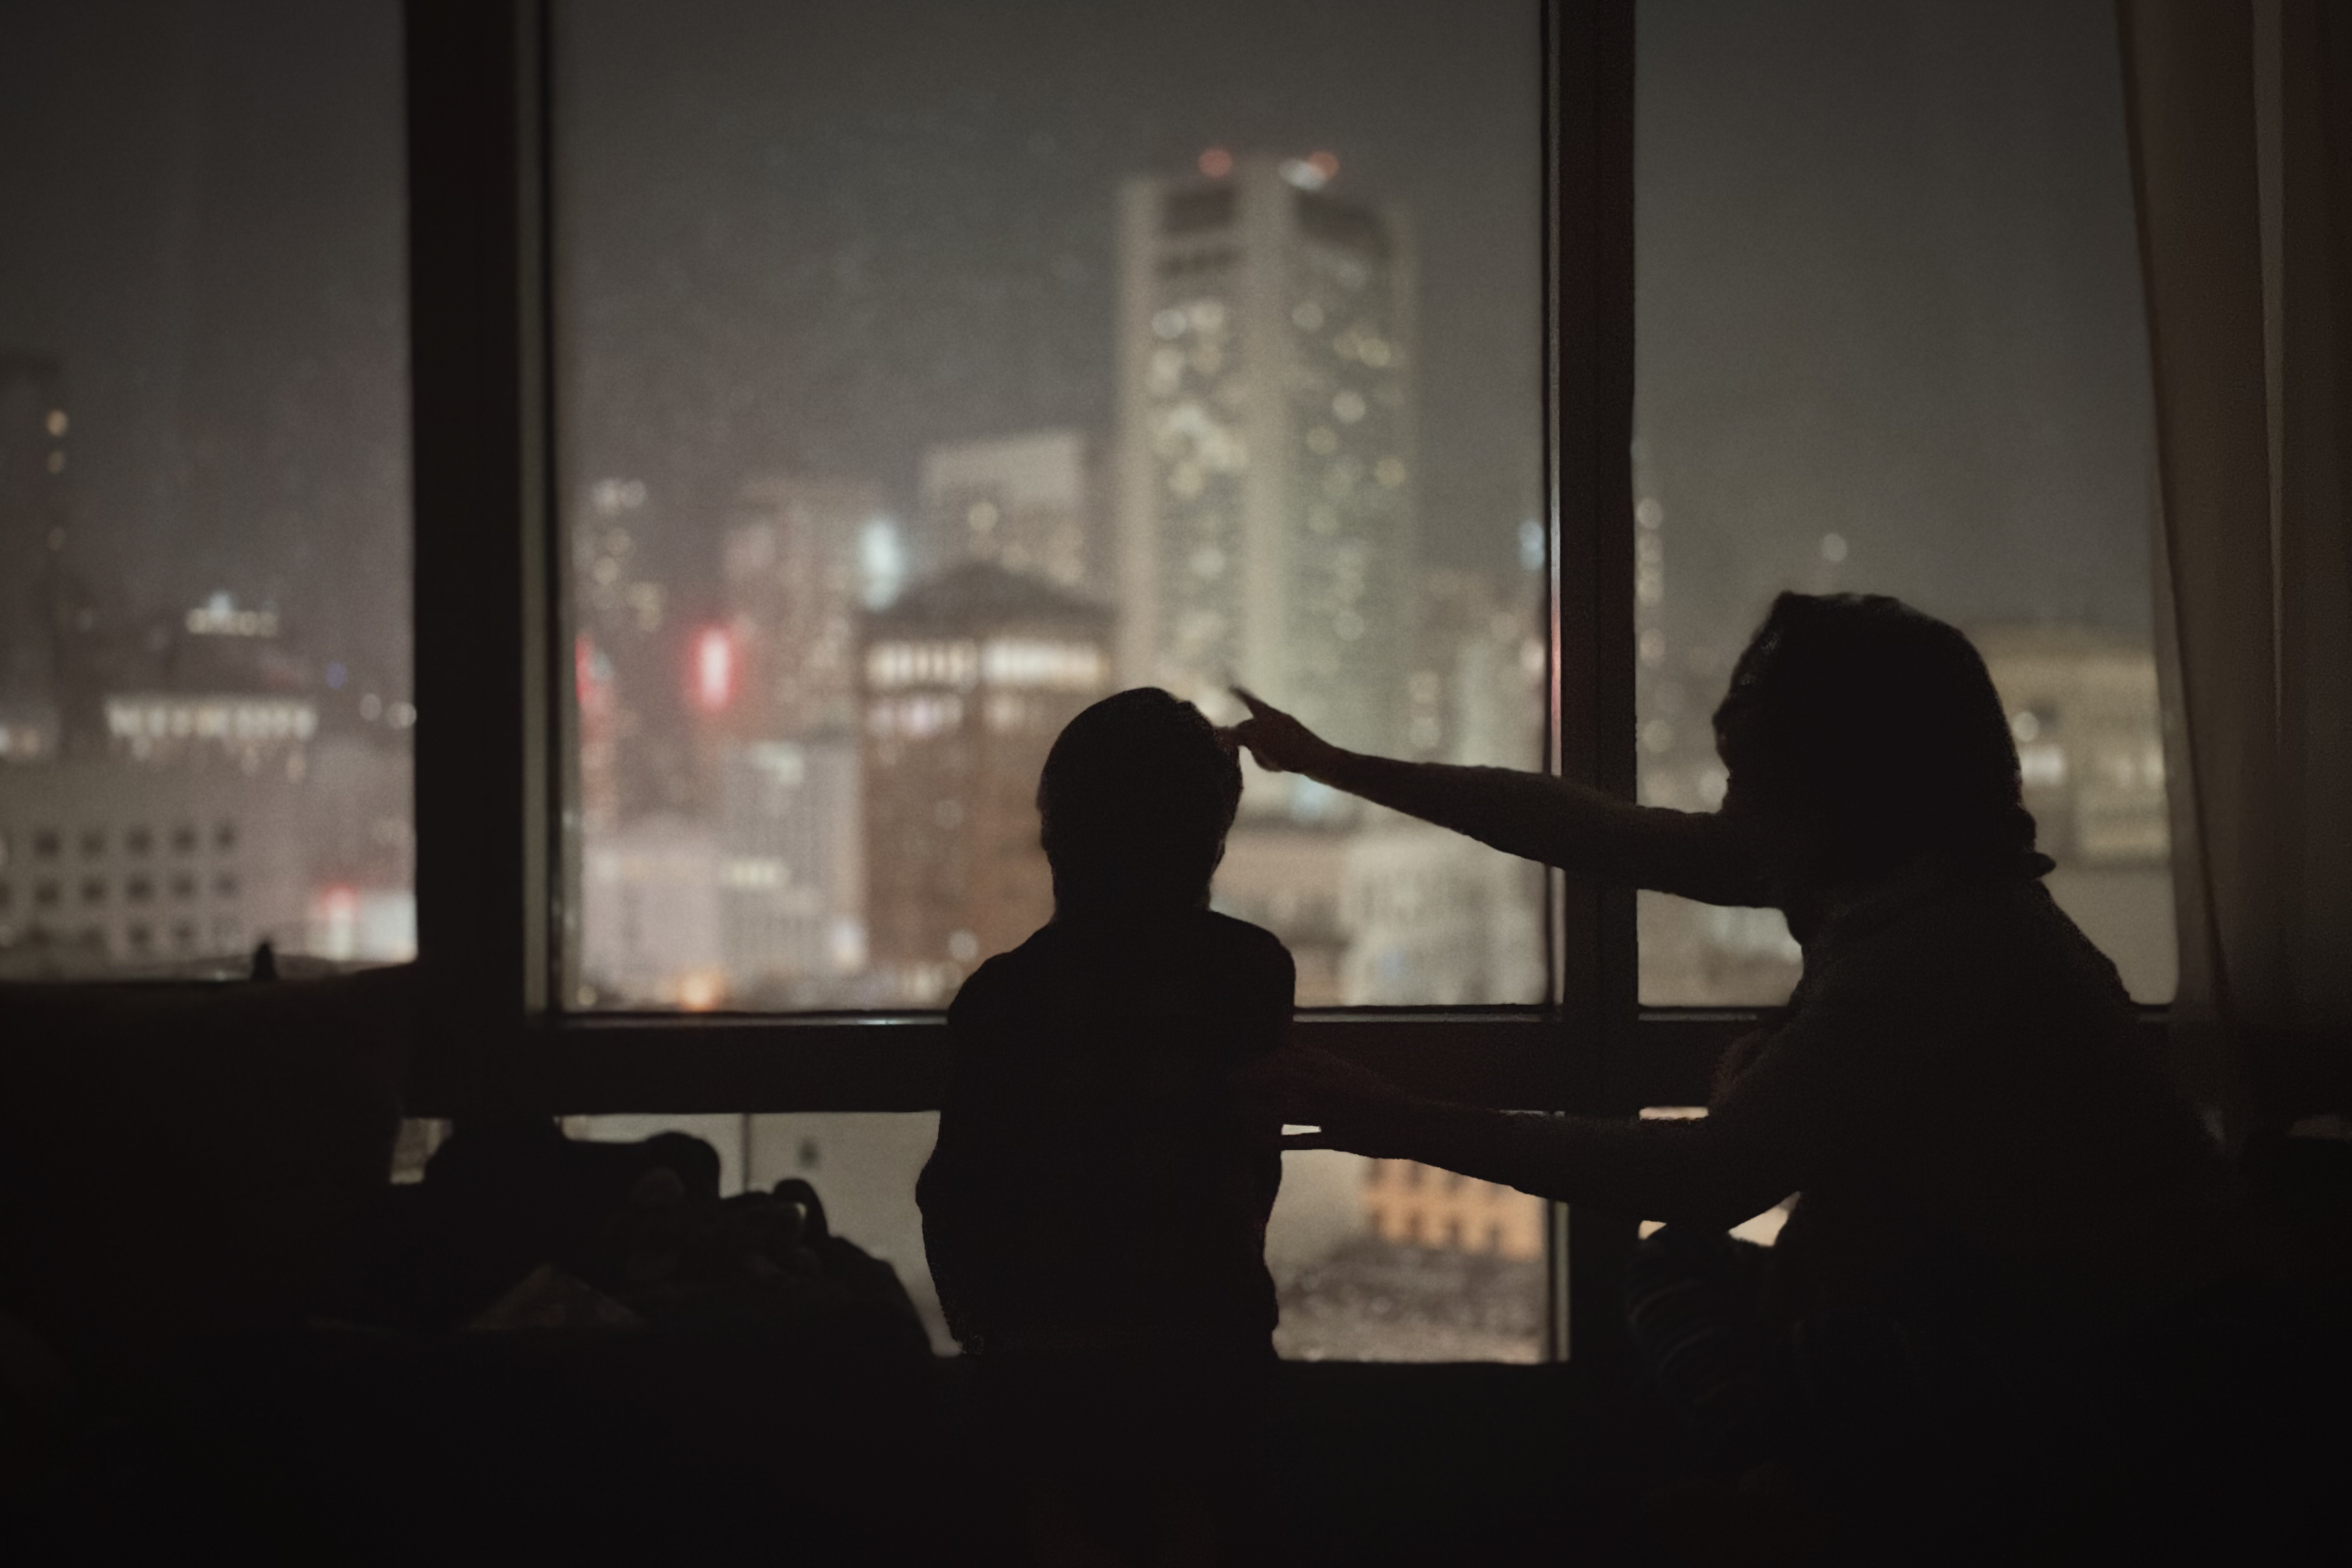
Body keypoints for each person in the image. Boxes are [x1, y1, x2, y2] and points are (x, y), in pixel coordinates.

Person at [1225, 592, 2266, 1547]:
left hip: (2129, 1375)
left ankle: (1797, 1501)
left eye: (1748, 775)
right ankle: (1792, 1488)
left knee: (1789, 1331)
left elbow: (1710, 1176)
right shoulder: (1888, 879)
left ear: (1830, 788)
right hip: (2036, 1321)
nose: (1727, 803)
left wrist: (1404, 1121)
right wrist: (1334, 766)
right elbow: (1585, 829)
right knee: (1693, 1277)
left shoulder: (1945, 946)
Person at [918, 687, 1294, 1564]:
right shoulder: (1249, 974)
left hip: (1039, 1378)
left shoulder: (1002, 999)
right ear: (1211, 843)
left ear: (1057, 839)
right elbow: (1250, 1176)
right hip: (1209, 1366)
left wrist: (991, 1342)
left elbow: (956, 1197)